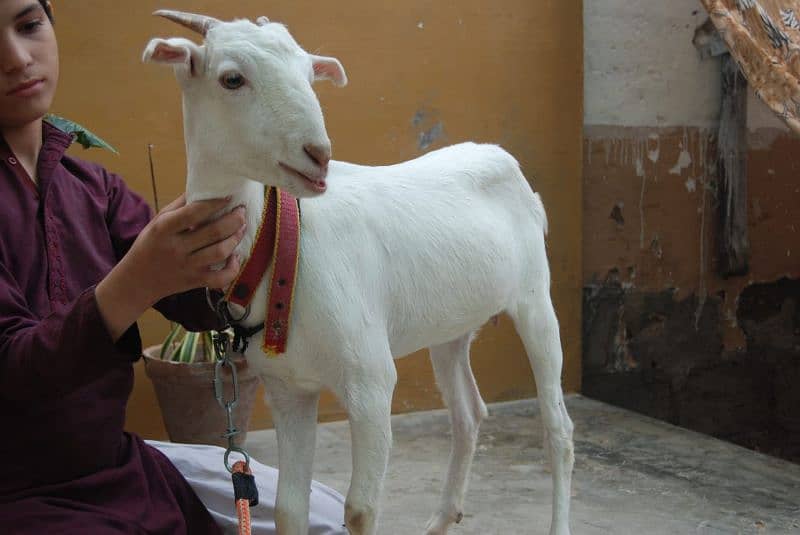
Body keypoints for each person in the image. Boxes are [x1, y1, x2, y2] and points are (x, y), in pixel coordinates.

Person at [0, 1, 345, 533]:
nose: (17, 57)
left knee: (326, 518)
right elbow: (13, 369)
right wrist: (138, 279)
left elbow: (193, 303)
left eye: (29, 25)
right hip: (21, 492)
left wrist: (222, 260)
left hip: (116, 467)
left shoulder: (94, 189)